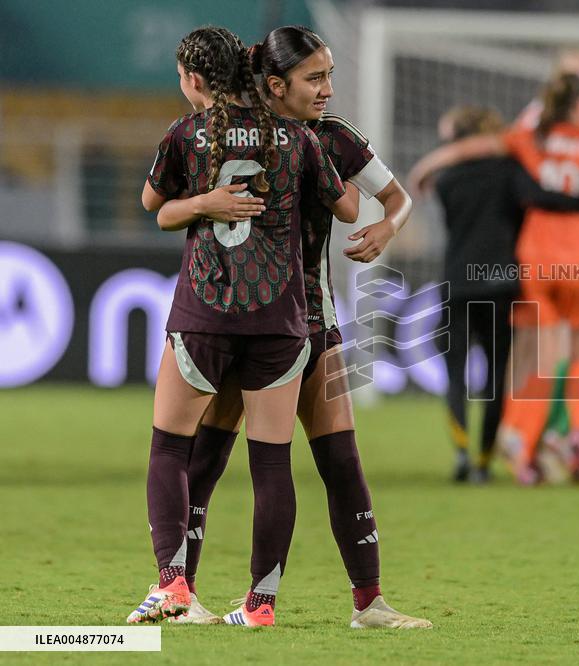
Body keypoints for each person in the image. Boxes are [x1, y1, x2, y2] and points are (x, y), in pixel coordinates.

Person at [153, 25, 430, 629]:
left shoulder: (325, 136)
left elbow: (395, 198)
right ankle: (187, 592)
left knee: (339, 457)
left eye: (329, 75)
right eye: (317, 78)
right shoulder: (272, 134)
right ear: (277, 84)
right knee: (210, 457)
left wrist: (388, 229)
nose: (329, 89)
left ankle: (369, 603)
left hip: (310, 317)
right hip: (262, 317)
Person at [129, 26, 355, 625]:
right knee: (273, 463)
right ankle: (260, 603)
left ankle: (174, 587)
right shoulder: (296, 137)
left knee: (171, 448)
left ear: (196, 79)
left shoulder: (186, 134)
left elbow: (155, 208)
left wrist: (204, 202)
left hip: (206, 310)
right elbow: (348, 207)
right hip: (281, 318)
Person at [432, 105, 579, 483]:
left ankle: (461, 453)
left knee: (456, 375)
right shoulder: (509, 171)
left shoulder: (446, 180)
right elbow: (540, 196)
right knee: (496, 375)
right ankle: (484, 462)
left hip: (457, 282)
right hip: (499, 283)